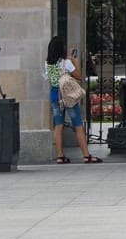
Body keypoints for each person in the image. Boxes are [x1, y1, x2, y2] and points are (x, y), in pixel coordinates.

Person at [43, 36, 102, 164]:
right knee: (78, 124)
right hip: (67, 95)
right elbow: (79, 76)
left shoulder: (47, 63)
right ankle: (86, 155)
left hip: (55, 94)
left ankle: (60, 155)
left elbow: (48, 77)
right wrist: (74, 60)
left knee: (58, 125)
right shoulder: (66, 63)